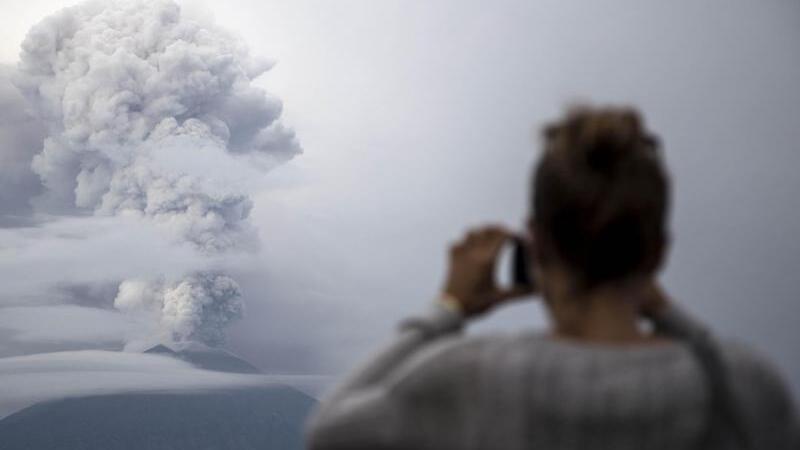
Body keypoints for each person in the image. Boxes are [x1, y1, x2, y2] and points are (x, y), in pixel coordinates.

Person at [305, 106, 799, 449]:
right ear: (659, 253)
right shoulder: (745, 386)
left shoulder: (468, 378)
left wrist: (448, 307)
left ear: (535, 245)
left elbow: (329, 431)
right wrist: (671, 317)